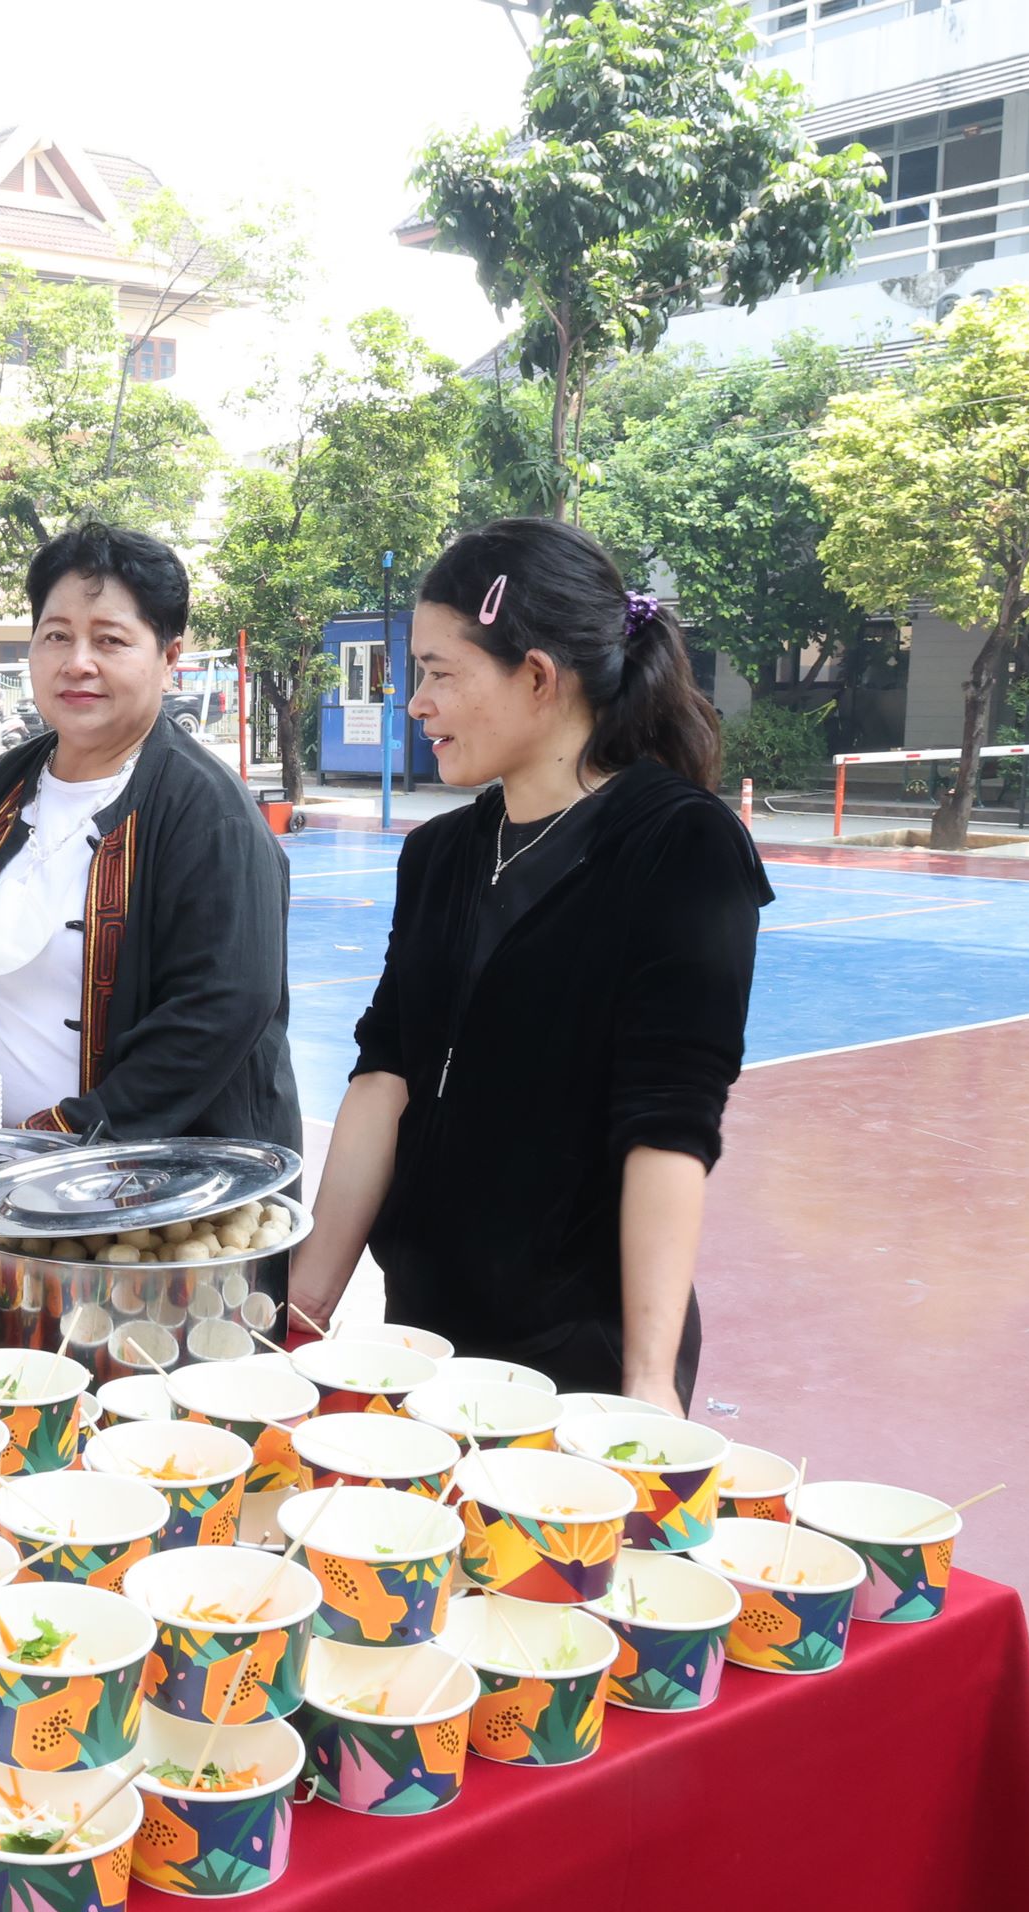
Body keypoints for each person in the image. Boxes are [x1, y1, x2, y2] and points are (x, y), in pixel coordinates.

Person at [287, 517, 773, 1412]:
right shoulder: (439, 855)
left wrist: (647, 1382)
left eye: (439, 673)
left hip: (581, 1351)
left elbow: (668, 1125)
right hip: (424, 1332)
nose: (416, 704)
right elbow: (385, 1074)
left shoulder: (679, 846)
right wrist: (303, 1311)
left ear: (539, 677)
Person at [0, 524, 299, 1145]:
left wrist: (56, 1143)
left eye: (110, 640)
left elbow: (218, 1013)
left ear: (169, 659)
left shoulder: (210, 814)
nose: (78, 663)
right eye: (56, 636)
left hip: (154, 1184)